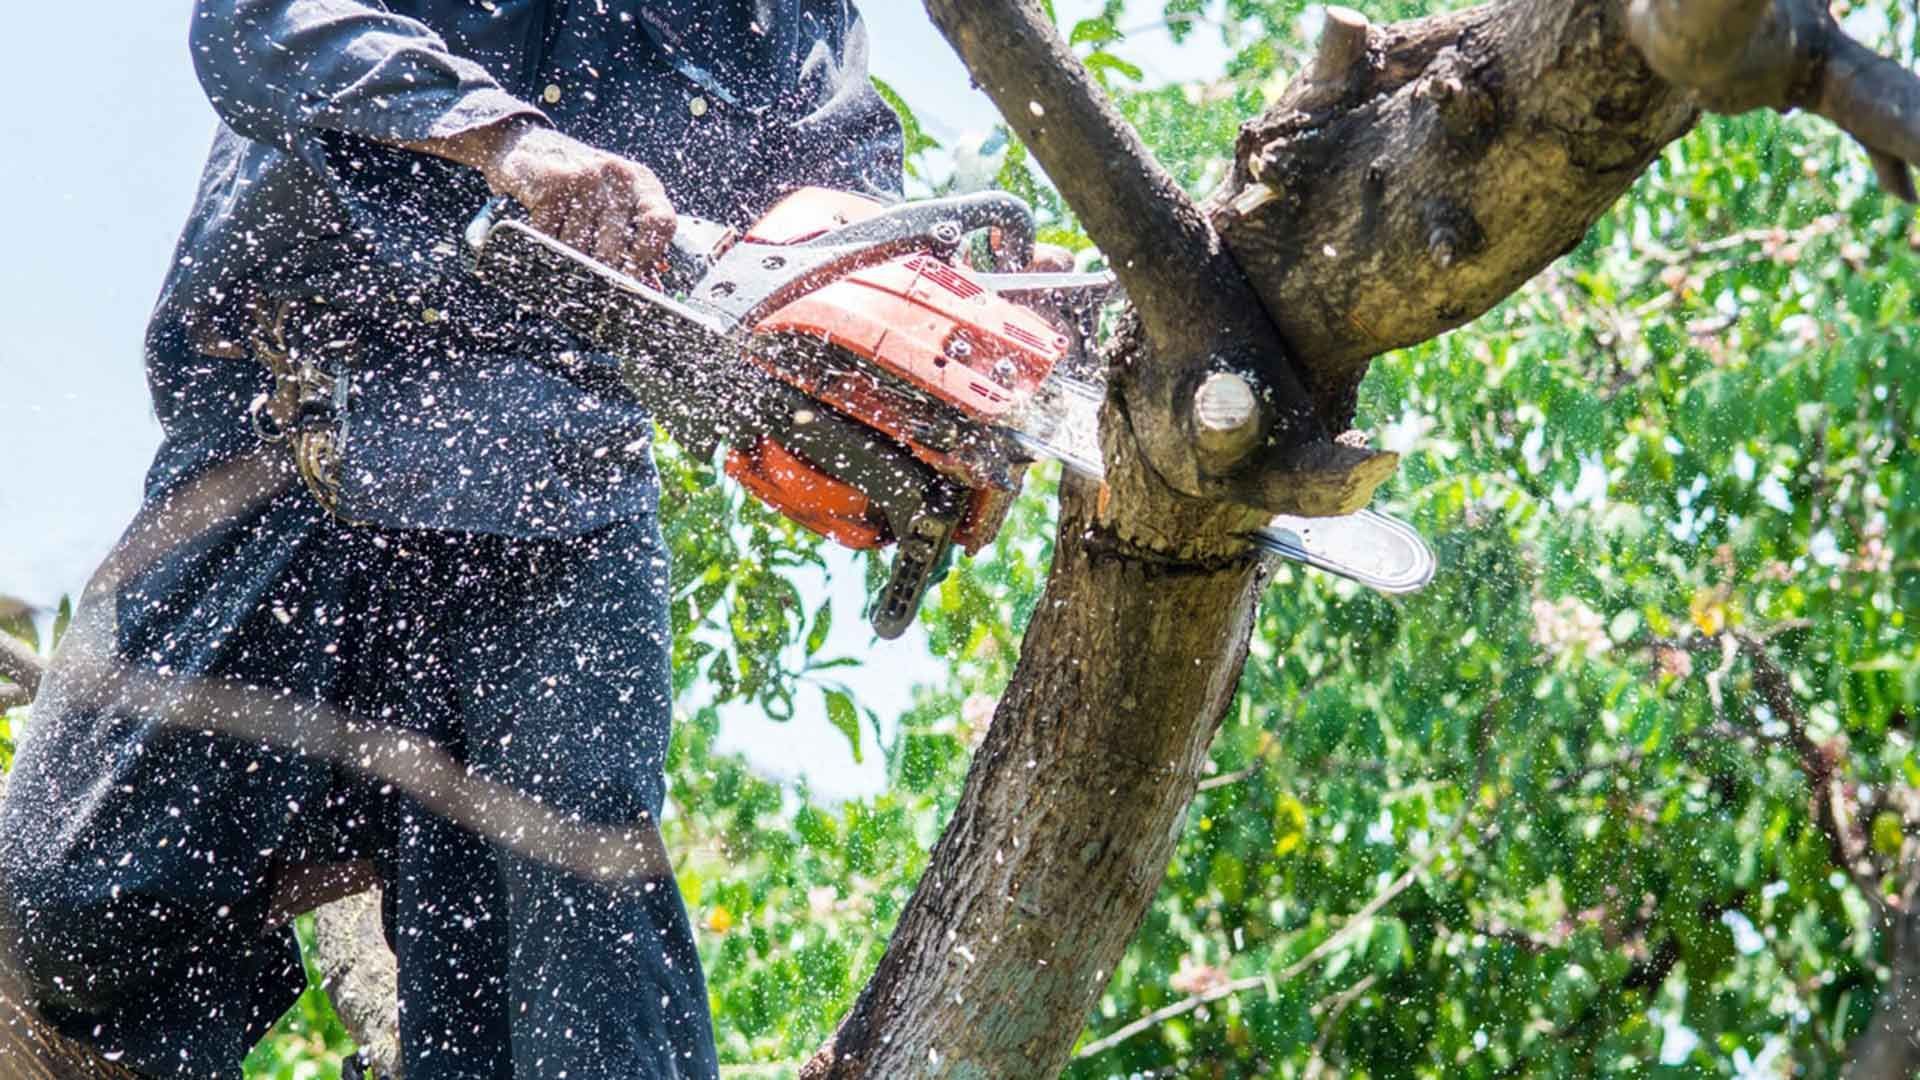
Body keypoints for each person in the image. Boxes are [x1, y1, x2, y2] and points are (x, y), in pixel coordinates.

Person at [0, 2, 903, 1077]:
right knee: (63, 907)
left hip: (556, 493)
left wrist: (919, 340)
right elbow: (253, 22)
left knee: (570, 947)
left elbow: (846, 203)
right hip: (294, 433)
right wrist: (501, 139)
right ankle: (320, 844)